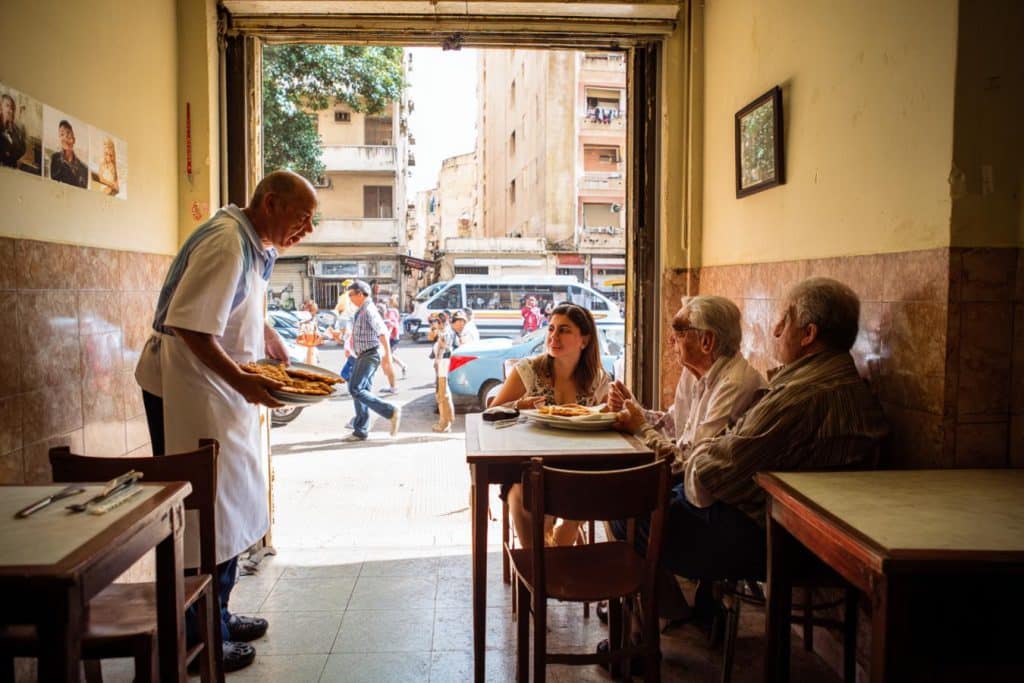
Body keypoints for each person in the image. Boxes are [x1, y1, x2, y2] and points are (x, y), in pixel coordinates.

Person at [133, 170, 318, 672]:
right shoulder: (225, 243)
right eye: (302, 217)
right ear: (272, 203)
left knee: (231, 508)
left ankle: (219, 611)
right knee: (199, 516)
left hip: (219, 395)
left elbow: (234, 305)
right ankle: (198, 633)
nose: (308, 228)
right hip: (186, 393)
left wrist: (270, 341)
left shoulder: (253, 243)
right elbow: (190, 324)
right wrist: (242, 380)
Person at [613, 277, 888, 597]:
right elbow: (711, 447)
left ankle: (664, 622)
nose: (775, 331)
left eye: (784, 322)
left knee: (629, 512)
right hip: (789, 525)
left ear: (809, 335)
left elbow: (715, 469)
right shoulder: (833, 381)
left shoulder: (800, 395)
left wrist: (689, 451)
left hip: (784, 539)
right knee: (644, 491)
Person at [606, 295, 767, 627]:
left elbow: (689, 460)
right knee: (626, 500)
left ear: (706, 341)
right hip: (699, 490)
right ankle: (658, 607)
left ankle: (657, 616)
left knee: (627, 515)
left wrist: (640, 425)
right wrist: (635, 409)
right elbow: (674, 427)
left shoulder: (735, 384)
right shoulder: (696, 375)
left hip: (727, 508)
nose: (671, 341)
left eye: (679, 332)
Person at [491, 303, 611, 548]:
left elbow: (608, 419)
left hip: (579, 466)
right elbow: (491, 412)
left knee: (587, 487)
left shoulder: (598, 379)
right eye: (551, 329)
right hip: (528, 464)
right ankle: (543, 561)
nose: (554, 337)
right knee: (525, 495)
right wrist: (519, 405)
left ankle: (552, 556)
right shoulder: (528, 370)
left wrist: (615, 409)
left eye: (564, 330)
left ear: (584, 340)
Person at [343, 279, 401, 442]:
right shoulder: (362, 310)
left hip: (370, 354)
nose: (350, 298)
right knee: (362, 392)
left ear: (361, 294)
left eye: (351, 295)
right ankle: (360, 431)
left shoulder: (369, 310)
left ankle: (390, 411)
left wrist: (388, 357)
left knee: (355, 389)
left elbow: (382, 332)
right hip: (363, 354)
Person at [429, 310, 456, 432]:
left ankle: (444, 423)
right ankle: (445, 421)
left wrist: (437, 361)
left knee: (442, 394)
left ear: (440, 322)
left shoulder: (445, 333)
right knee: (443, 393)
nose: (433, 324)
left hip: (443, 364)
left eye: (435, 322)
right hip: (443, 364)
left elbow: (442, 349)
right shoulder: (446, 331)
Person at [49, 119, 88, 188]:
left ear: (74, 139)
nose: (65, 137)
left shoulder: (84, 168)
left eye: (68, 133)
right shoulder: (55, 158)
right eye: (62, 134)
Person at [377, 302, 400, 394]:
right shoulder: (384, 321)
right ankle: (392, 386)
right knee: (386, 365)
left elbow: (387, 333)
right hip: (386, 343)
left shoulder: (385, 322)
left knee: (387, 365)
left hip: (388, 342)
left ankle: (393, 387)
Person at [0, 93, 27, 168]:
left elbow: (22, 150)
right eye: (7, 106)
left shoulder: (14, 130)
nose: (10, 111)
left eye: (12, 108)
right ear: (0, 108)